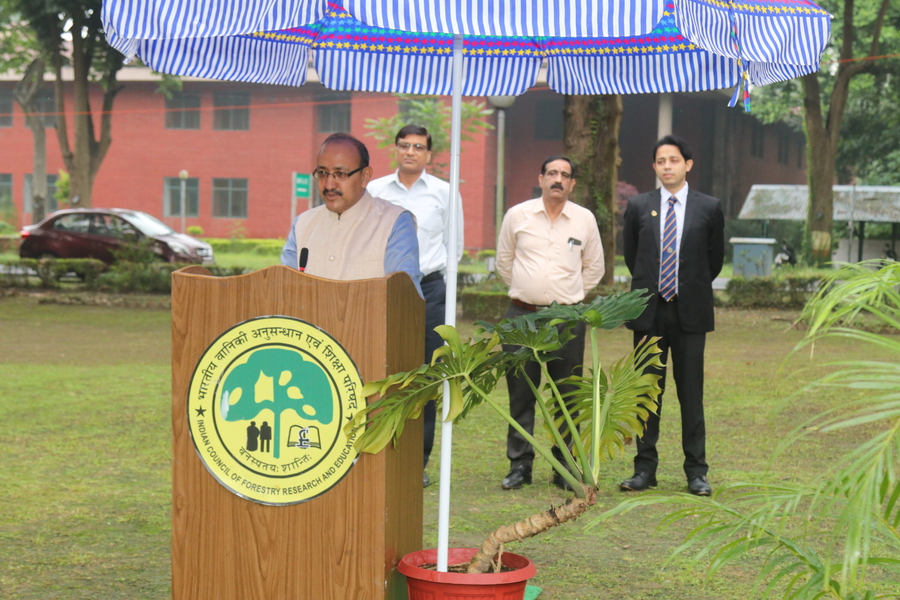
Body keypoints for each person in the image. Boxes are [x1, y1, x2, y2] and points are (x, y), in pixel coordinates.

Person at [620, 135, 724, 496]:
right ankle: (644, 469)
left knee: (691, 395)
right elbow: (633, 257)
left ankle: (696, 472)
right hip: (648, 313)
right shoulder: (638, 206)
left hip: (689, 313)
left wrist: (686, 285)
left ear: (688, 165)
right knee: (647, 393)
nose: (667, 166)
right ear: (654, 166)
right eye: (661, 160)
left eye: (674, 160)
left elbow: (713, 261)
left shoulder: (709, 207)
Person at [495, 155, 604, 491]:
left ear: (572, 184)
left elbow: (594, 268)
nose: (558, 179)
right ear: (540, 178)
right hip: (522, 317)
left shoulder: (584, 219)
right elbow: (504, 262)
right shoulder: (517, 215)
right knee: (521, 392)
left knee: (567, 394)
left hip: (566, 320)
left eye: (565, 175)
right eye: (552, 173)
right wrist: (529, 292)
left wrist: (569, 297)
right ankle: (520, 464)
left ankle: (565, 465)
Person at [368, 125, 464, 488]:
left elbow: (454, 249)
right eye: (405, 145)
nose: (411, 151)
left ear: (428, 154)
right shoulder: (375, 191)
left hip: (430, 290)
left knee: (426, 377)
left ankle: (417, 461)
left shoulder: (444, 192)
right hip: (385, 289)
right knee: (381, 368)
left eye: (418, 147)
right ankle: (377, 451)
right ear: (395, 149)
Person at [280, 133, 423, 297]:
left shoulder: (395, 222)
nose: (329, 184)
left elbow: (403, 296)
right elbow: (284, 291)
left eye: (340, 174)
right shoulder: (303, 224)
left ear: (365, 176)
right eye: (322, 173)